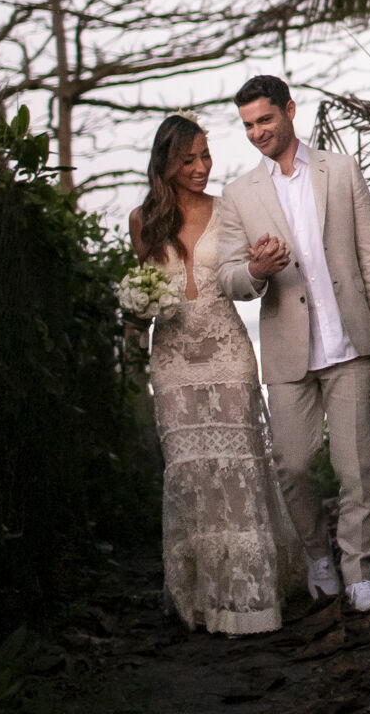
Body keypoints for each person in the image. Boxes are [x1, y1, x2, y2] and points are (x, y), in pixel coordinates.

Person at [215, 75, 370, 613]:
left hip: (349, 342)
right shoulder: (239, 195)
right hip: (285, 350)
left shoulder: (341, 171)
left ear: (289, 111)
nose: (257, 133)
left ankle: (359, 572)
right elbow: (229, 277)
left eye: (265, 120)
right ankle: (317, 555)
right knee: (293, 465)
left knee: (357, 467)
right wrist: (256, 268)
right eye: (248, 125)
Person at [130, 112, 301, 634]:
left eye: (206, 155)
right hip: (174, 361)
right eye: (190, 159)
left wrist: (262, 266)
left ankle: (251, 600)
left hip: (228, 352)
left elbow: (244, 277)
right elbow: (142, 297)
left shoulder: (230, 210)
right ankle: (203, 597)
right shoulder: (143, 221)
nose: (203, 166)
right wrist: (137, 306)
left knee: (242, 468)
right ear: (167, 163)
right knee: (190, 473)